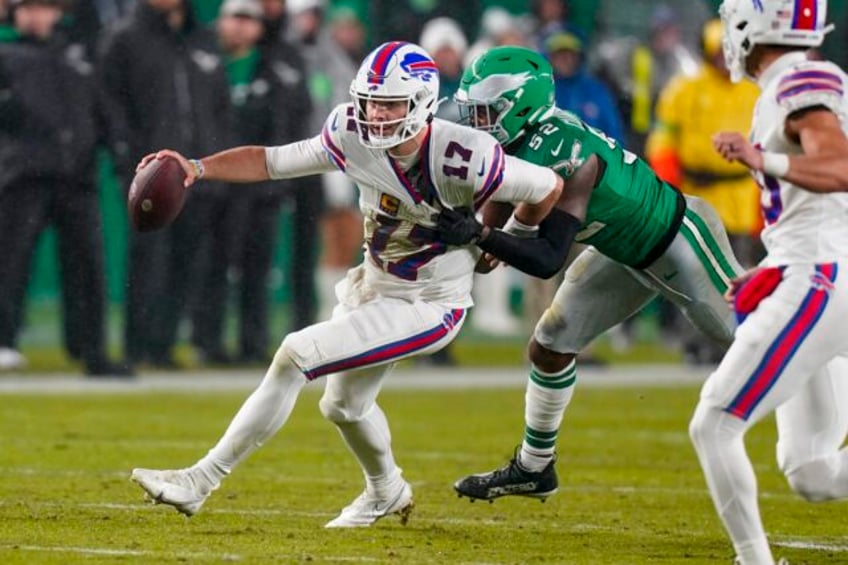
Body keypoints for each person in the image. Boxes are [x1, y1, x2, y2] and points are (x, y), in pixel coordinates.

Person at [129, 41, 563, 528]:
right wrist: (198, 167)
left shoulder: (463, 155)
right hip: (375, 287)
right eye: (371, 100)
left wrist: (498, 239)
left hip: (430, 302)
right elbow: (272, 160)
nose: (376, 113)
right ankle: (386, 490)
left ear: (420, 102)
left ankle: (200, 479)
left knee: (296, 354)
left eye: (390, 102)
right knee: (344, 405)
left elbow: (547, 186)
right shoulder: (349, 132)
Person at [437, 45, 742, 502]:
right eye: (473, 112)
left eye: (486, 113)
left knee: (756, 335)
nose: (476, 123)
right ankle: (534, 468)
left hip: (678, 239)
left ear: (521, 106)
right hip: (622, 251)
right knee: (550, 345)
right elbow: (495, 211)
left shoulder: (568, 150)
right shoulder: (517, 142)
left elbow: (546, 258)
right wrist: (472, 236)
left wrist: (481, 237)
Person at [690, 2, 848, 563]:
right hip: (816, 269)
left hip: (819, 279)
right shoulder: (797, 81)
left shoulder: (801, 80)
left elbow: (839, 168)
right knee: (813, 471)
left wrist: (763, 159)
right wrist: (773, 264)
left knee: (714, 423)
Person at [0, 0, 131, 376]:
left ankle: (92, 351)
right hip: (24, 176)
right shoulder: (7, 53)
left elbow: (102, 109)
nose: (36, 16)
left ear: (57, 13)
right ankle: (3, 341)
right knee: (10, 263)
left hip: (77, 176)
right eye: (28, 8)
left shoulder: (80, 55)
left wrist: (119, 152)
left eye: (43, 8)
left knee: (88, 268)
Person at [99, 0, 233, 368]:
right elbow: (109, 101)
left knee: (185, 261)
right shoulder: (125, 37)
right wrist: (128, 155)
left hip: (197, 170)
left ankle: (163, 345)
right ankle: (137, 345)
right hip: (150, 172)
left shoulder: (202, 39)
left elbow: (219, 104)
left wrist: (214, 159)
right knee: (148, 261)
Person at [192, 0, 313, 365]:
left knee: (256, 268)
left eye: (250, 20)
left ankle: (253, 342)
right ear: (221, 21)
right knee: (212, 265)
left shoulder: (276, 64)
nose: (242, 28)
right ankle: (207, 342)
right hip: (214, 185)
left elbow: (293, 119)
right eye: (236, 19)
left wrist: (282, 179)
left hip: (262, 187)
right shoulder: (201, 62)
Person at [646, 18, 763, 365]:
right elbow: (663, 142)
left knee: (738, 272)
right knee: (695, 275)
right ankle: (697, 342)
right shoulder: (684, 89)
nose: (724, 61)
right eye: (718, 53)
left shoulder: (753, 91)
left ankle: (736, 343)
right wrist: (668, 190)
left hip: (740, 194)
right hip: (697, 193)